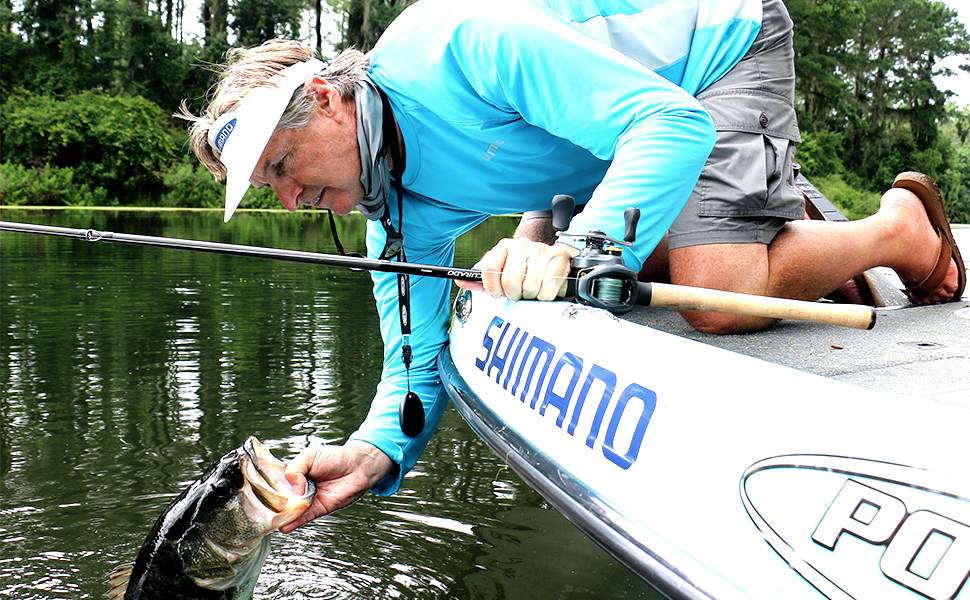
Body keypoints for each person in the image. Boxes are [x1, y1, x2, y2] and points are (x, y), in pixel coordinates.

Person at [179, 0, 966, 530]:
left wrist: (578, 251)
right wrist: (374, 449)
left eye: (280, 166)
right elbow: (413, 366)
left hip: (712, 46)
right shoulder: (395, 213)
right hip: (602, 135)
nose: (287, 200)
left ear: (324, 97)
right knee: (620, 277)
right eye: (266, 188)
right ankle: (774, 219)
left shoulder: (455, 44)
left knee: (716, 298)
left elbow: (667, 120)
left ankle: (898, 229)